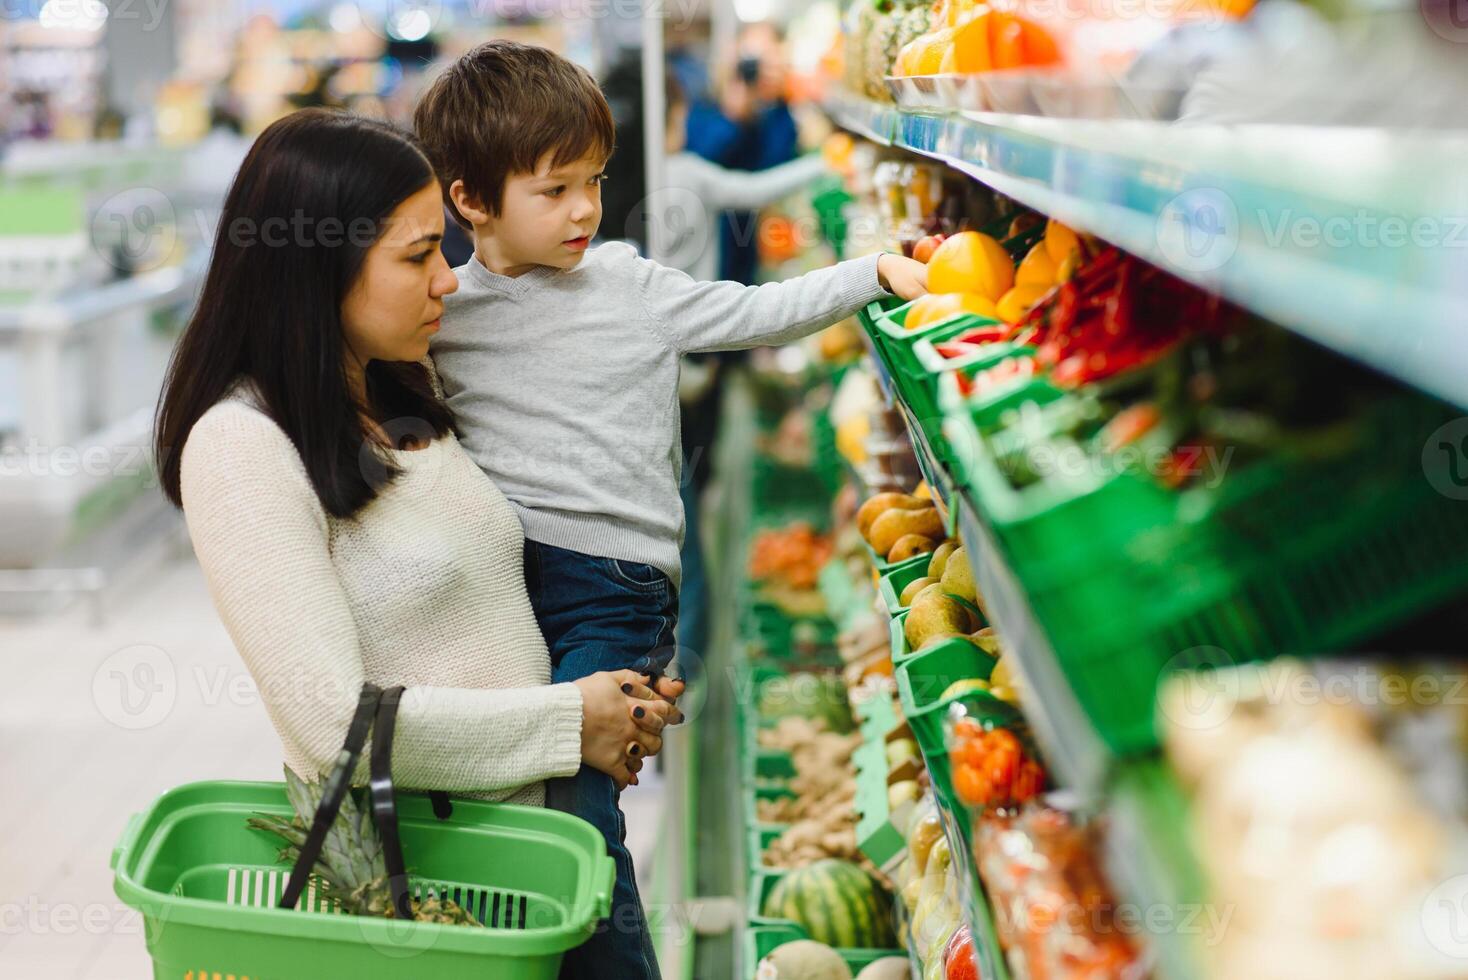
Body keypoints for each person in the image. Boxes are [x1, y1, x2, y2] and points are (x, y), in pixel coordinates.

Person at [411, 40, 928, 980]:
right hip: (507, 583)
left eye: (595, 182)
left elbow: (751, 311)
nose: (584, 210)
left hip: (615, 589)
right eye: (554, 188)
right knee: (524, 812)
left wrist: (873, 272)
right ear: (470, 201)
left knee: (578, 814)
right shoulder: (448, 313)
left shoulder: (626, 284)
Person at [154, 110, 683, 822]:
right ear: (319, 267)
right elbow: (333, 725)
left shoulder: (407, 386)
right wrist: (569, 720)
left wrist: (618, 700)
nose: (448, 281)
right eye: (417, 256)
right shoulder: (241, 447)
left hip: (546, 850)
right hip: (440, 889)